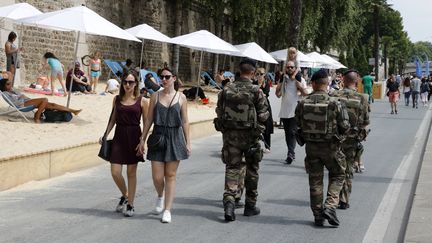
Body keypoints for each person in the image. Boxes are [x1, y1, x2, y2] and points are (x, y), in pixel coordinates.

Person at [214, 58, 269, 222]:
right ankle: (250, 206)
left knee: (232, 168)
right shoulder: (256, 91)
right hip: (251, 138)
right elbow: (263, 116)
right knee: (252, 170)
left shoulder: (226, 90)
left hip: (231, 137)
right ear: (252, 73)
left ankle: (229, 203)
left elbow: (219, 111)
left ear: (239, 71)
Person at [295, 69, 350, 227]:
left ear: (313, 84)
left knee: (315, 181)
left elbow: (298, 124)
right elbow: (345, 126)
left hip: (311, 149)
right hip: (331, 148)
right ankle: (330, 206)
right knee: (339, 175)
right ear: (327, 84)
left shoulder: (303, 103)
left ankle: (318, 215)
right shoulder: (335, 103)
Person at [138, 67, 191, 223]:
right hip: (158, 136)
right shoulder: (155, 96)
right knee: (157, 176)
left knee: (171, 175)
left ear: (174, 78)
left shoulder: (181, 97)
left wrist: (188, 142)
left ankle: (167, 209)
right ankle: (160, 195)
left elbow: (185, 121)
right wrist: (142, 138)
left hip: (175, 137)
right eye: (162, 77)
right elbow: (148, 120)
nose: (164, 79)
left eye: (167, 77)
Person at [100, 70, 149, 217]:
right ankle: (126, 195)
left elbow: (146, 123)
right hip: (119, 136)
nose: (128, 85)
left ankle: (131, 205)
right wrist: (105, 135)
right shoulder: (117, 99)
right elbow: (113, 118)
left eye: (131, 82)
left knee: (131, 173)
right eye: (125, 82)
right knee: (115, 172)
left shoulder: (143, 101)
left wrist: (143, 141)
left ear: (136, 83)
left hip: (134, 136)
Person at [330, 69, 370, 210]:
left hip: (335, 138)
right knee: (348, 169)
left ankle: (332, 198)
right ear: (356, 81)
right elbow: (365, 121)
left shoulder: (334, 95)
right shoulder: (363, 98)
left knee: (335, 169)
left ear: (343, 81)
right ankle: (344, 199)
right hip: (352, 139)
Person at [0, 77, 81, 123]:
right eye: (7, 84)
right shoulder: (5, 93)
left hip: (27, 101)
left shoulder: (13, 90)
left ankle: (73, 111)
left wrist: (21, 95)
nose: (10, 85)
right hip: (22, 104)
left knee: (52, 105)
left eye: (10, 83)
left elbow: (21, 95)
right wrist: (20, 97)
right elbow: (16, 101)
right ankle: (37, 117)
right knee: (45, 99)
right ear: (3, 86)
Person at [275, 60, 308, 164]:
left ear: (295, 68)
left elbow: (305, 93)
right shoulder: (283, 79)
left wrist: (298, 84)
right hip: (285, 110)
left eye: (291, 67)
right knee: (287, 133)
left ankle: (291, 153)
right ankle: (290, 152)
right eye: (287, 67)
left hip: (295, 111)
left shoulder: (300, 79)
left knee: (292, 132)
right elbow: (278, 94)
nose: (289, 69)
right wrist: (281, 82)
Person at [255, 67, 274, 153]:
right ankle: (255, 145)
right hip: (256, 106)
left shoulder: (266, 83)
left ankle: (267, 146)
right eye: (257, 74)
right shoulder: (254, 83)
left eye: (261, 74)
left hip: (265, 107)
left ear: (264, 75)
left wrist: (259, 88)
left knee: (267, 126)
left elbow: (265, 93)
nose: (259, 76)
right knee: (255, 125)